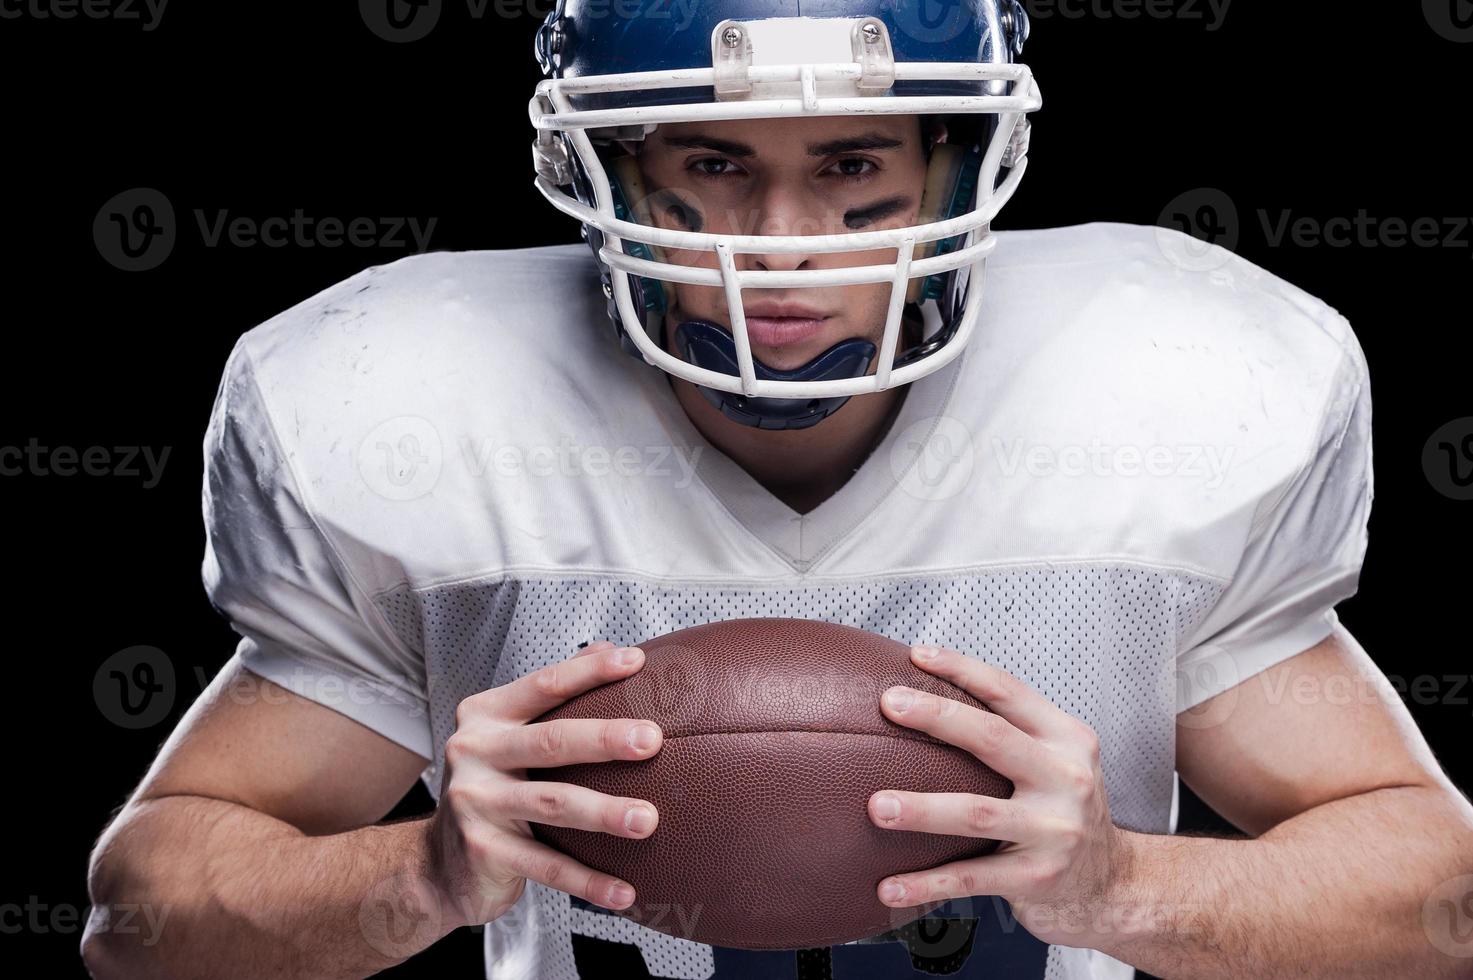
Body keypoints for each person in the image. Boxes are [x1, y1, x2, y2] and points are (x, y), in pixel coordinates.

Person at [83, 3, 1473, 979]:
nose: (782, 247)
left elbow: (1439, 897)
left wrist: (1120, 886)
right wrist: (425, 874)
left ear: (955, 160)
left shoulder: (1156, 392)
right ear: (603, 164)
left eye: (853, 165)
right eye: (713, 164)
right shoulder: (415, 408)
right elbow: (142, 910)